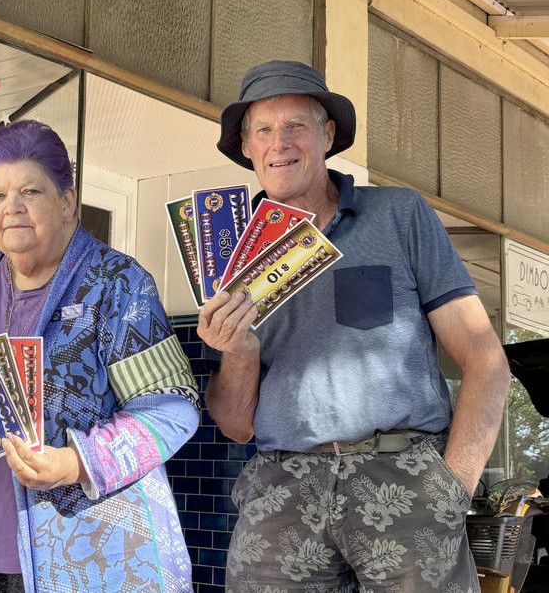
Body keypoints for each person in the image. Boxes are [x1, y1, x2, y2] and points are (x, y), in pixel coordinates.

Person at [197, 60, 511, 591]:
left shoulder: (399, 214)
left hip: (403, 476)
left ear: (328, 134)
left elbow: (486, 362)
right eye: (264, 130)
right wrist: (240, 352)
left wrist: (451, 490)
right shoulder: (226, 255)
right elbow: (235, 425)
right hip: (281, 486)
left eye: (296, 124)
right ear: (247, 146)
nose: (281, 143)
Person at [0, 120, 198, 593]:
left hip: (89, 555)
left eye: (30, 191)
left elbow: (173, 407)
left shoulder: (117, 284)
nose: (11, 208)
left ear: (67, 202)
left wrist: (77, 462)